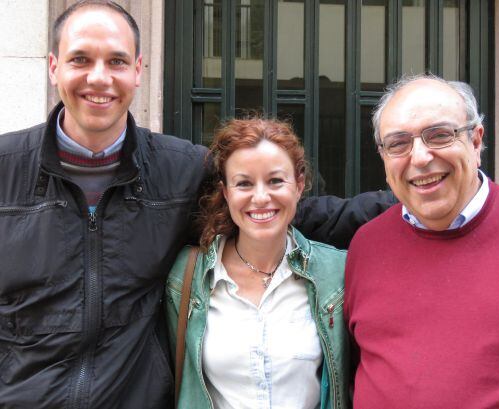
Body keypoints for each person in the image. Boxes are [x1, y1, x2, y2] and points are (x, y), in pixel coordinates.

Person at [0, 1, 394, 408]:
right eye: (80, 59)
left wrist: (413, 199)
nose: (99, 78)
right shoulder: (6, 170)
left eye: (116, 61)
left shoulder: (181, 170)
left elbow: (276, 212)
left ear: (137, 71)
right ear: (53, 67)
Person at [344, 74, 499, 408]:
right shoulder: (366, 246)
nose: (420, 157)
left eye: (439, 135)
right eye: (398, 144)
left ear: (477, 141)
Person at [165, 118, 349, 409]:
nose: (261, 197)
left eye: (276, 181)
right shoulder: (186, 277)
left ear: (299, 185)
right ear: (226, 192)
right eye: (244, 184)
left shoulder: (337, 273)